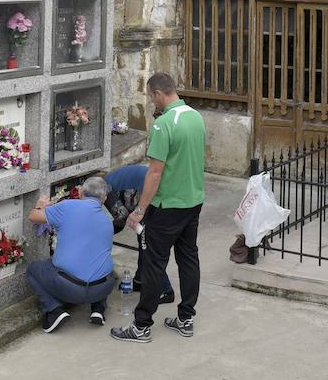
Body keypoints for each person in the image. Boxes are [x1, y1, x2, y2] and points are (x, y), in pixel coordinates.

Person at [110, 73, 205, 344]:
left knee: (153, 263)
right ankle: (186, 318)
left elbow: (155, 172)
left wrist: (139, 209)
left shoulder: (163, 124)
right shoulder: (195, 117)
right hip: (194, 200)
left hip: (167, 205)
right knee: (188, 258)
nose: (153, 101)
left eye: (151, 96)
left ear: (159, 94)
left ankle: (142, 325)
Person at [25, 175, 115, 332]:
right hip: (103, 287)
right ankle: (98, 309)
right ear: (104, 198)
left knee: (33, 268)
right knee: (100, 261)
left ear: (80, 192)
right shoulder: (107, 219)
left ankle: (54, 310)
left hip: (70, 288)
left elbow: (33, 217)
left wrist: (40, 206)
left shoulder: (68, 207)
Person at [104, 162, 174, 302]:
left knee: (147, 245)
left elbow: (121, 218)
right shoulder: (111, 180)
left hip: (151, 195)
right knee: (144, 241)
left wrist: (101, 234)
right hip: (160, 192)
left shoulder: (105, 190)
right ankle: (139, 281)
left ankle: (166, 290)